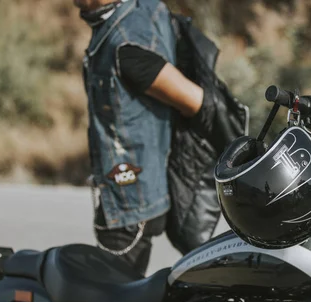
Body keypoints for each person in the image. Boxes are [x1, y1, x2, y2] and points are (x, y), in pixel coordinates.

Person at [74, 0, 215, 275]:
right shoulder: (142, 11)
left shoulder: (125, 45)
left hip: (130, 201)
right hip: (139, 190)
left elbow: (195, 101)